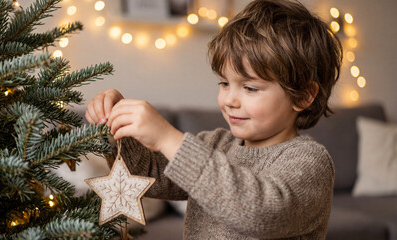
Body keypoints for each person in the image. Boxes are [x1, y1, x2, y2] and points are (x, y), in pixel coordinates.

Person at [85, 0, 343, 239]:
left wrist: (168, 138)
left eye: (250, 88)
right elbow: (149, 176)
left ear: (303, 96)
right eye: (224, 83)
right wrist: (119, 126)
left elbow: (258, 212)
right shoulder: (217, 143)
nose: (229, 99)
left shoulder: (309, 162)